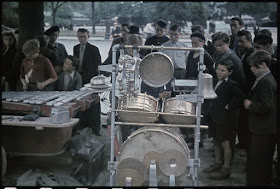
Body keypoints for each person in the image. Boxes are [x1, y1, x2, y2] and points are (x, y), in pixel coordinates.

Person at [203, 59, 246, 180]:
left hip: (225, 119)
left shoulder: (231, 85)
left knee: (225, 143)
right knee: (216, 141)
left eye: (223, 70)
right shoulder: (215, 81)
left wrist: (230, 106)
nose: (219, 72)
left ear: (230, 72)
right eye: (218, 69)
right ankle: (217, 163)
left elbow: (242, 96)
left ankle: (226, 168)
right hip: (214, 117)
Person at [244, 50, 277, 186]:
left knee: (259, 165)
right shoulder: (265, 78)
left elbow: (267, 106)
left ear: (262, 65)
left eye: (253, 66)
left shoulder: (266, 82)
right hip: (262, 128)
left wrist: (250, 105)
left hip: (263, 130)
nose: (251, 68)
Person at [74, 28, 102, 136]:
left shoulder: (94, 49)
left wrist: (95, 81)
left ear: (88, 37)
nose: (82, 39)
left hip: (91, 78)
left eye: (84, 37)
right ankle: (83, 124)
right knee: (81, 101)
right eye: (80, 37)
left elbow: (98, 65)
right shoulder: (75, 48)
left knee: (94, 102)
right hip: (79, 77)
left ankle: (95, 127)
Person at [235, 30, 255, 150]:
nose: (239, 44)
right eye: (238, 41)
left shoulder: (252, 54)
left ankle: (246, 143)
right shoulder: (242, 52)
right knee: (241, 119)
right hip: (242, 91)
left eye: (242, 42)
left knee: (245, 120)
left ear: (249, 40)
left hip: (248, 92)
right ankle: (242, 142)